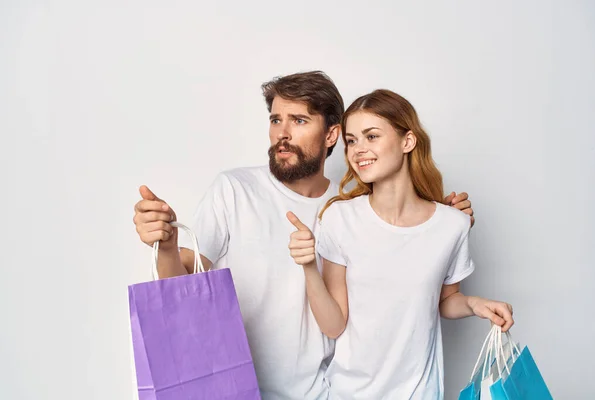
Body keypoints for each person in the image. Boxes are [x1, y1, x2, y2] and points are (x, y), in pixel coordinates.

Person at [132, 72, 474, 399]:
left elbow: (400, 266)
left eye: (299, 121)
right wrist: (167, 245)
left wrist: (438, 218)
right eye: (275, 119)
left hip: (327, 392)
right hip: (238, 388)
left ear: (330, 135)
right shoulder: (235, 190)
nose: (282, 132)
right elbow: (182, 288)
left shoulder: (350, 209)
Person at [287, 89, 512, 399]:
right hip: (349, 392)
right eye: (351, 141)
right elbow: (334, 325)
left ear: (407, 141)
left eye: (371, 136)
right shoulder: (340, 218)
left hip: (420, 392)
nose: (358, 150)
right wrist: (309, 267)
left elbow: (445, 299)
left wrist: (475, 304)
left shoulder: (452, 225)